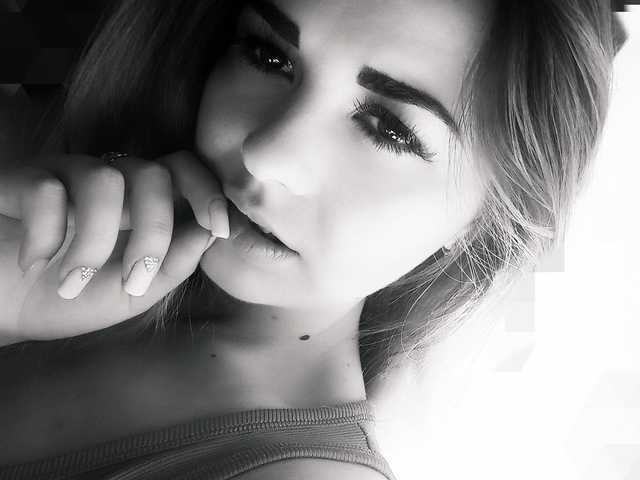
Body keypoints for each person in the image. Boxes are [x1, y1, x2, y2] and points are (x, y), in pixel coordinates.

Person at [0, 0, 625, 478]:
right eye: (269, 57)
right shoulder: (37, 191)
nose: (267, 154)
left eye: (389, 129)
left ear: (484, 223)